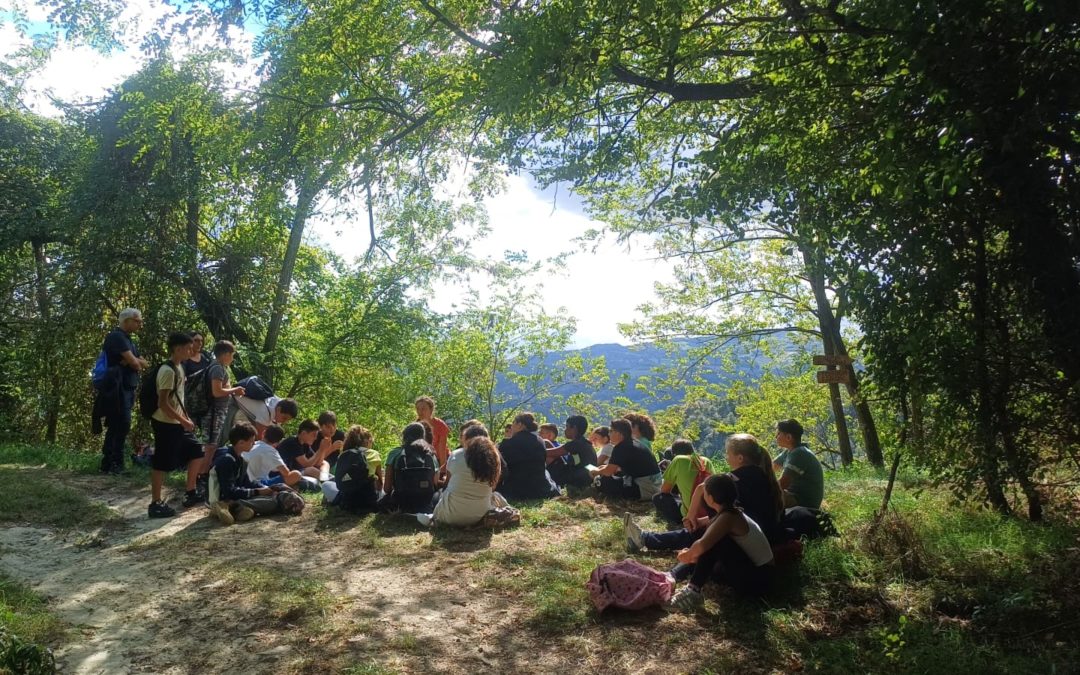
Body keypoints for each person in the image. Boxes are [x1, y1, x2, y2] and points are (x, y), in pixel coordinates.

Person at [626, 434, 785, 552]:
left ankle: (645, 539)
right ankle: (646, 539)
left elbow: (704, 488)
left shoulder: (736, 479)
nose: (726, 457)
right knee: (700, 528)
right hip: (760, 535)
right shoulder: (762, 476)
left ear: (740, 458)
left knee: (697, 533)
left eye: (728, 454)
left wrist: (692, 516)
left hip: (748, 541)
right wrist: (699, 520)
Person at [666, 473, 774, 611]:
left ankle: (693, 590)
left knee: (716, 541)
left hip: (759, 580)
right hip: (757, 575)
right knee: (709, 541)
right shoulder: (731, 512)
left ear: (710, 498)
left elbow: (702, 545)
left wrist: (687, 556)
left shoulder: (728, 517)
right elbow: (707, 531)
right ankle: (678, 575)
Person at [147, 332, 205, 518]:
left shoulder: (180, 367)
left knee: (197, 450)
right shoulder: (167, 371)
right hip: (165, 423)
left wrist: (186, 417)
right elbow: (162, 403)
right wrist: (183, 421)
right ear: (178, 349)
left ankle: (191, 491)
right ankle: (155, 503)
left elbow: (178, 398)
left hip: (177, 422)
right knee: (161, 462)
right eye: (188, 347)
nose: (192, 350)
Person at [97, 308, 148, 474]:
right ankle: (112, 463)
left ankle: (112, 463)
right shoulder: (116, 337)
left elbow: (142, 363)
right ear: (126, 321)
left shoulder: (128, 340)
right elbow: (135, 363)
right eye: (137, 320)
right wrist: (133, 362)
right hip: (117, 389)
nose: (140, 324)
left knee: (120, 424)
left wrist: (133, 361)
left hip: (127, 388)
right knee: (120, 424)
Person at [426, 430, 510, 527]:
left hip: (449, 516)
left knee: (437, 495)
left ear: (468, 440)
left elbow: (446, 485)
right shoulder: (494, 458)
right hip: (481, 516)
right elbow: (492, 487)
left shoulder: (456, 455)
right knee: (495, 496)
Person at [195, 340, 246, 496]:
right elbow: (217, 392)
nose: (232, 358)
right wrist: (234, 390)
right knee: (210, 446)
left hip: (218, 413)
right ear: (224, 354)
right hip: (213, 413)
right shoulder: (217, 368)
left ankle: (205, 475)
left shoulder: (220, 367)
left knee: (213, 445)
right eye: (232, 354)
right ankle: (201, 479)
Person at [590, 419, 662, 501]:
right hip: (654, 485)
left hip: (645, 489)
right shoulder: (633, 443)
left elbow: (608, 472)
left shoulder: (621, 448)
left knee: (602, 481)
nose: (609, 434)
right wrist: (604, 468)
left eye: (611, 431)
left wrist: (596, 472)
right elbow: (613, 468)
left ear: (619, 433)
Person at [497, 412, 560, 501]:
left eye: (514, 422)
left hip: (516, 490)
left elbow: (502, 466)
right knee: (545, 472)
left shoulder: (508, 443)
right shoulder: (540, 441)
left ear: (520, 425)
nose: (511, 426)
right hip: (540, 489)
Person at [381, 422, 440, 513]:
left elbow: (387, 488)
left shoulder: (395, 453)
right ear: (423, 436)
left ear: (404, 437)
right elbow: (434, 483)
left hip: (401, 502)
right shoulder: (431, 455)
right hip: (425, 503)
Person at [653, 439, 711, 527]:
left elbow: (665, 490)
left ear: (674, 454)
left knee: (658, 498)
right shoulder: (706, 461)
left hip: (689, 515)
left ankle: (682, 519)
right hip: (709, 513)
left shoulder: (678, 460)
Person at [325, 425, 381, 514]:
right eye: (371, 441)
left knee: (326, 484)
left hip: (347, 501)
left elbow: (339, 479)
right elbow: (380, 484)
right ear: (367, 442)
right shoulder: (374, 454)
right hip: (368, 501)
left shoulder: (343, 455)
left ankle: (333, 501)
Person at [774, 419, 824, 509]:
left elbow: (782, 484)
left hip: (804, 501)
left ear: (788, 437)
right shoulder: (790, 451)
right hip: (795, 496)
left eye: (778, 434)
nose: (775, 437)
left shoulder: (799, 454)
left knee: (766, 497)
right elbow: (770, 467)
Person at [276, 419, 334, 487]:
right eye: (313, 435)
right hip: (285, 474)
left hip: (298, 472)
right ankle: (330, 481)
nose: (315, 438)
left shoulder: (305, 444)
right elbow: (306, 464)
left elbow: (318, 462)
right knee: (310, 470)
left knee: (325, 463)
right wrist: (320, 449)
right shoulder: (293, 443)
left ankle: (326, 479)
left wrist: (323, 449)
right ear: (303, 433)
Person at [244, 424, 304, 488]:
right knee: (296, 474)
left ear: (264, 433)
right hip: (259, 483)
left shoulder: (252, 444)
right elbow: (286, 473)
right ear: (278, 442)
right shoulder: (271, 451)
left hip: (244, 482)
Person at [546, 415, 597, 490]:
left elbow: (552, 453)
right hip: (582, 475)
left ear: (574, 428)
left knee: (545, 454)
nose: (565, 430)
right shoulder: (583, 442)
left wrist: (530, 450)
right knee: (546, 443)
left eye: (567, 427)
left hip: (578, 479)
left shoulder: (576, 444)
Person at [227, 392, 299, 440]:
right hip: (233, 403)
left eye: (287, 420)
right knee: (246, 437)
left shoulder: (279, 403)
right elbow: (260, 437)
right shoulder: (265, 414)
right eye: (284, 418)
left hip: (249, 413)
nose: (284, 422)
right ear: (279, 409)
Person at [414, 396, 450, 469]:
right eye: (418, 409)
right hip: (422, 460)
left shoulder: (440, 425)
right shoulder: (415, 426)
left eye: (423, 409)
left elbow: (442, 449)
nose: (420, 412)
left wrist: (443, 470)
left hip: (439, 459)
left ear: (431, 410)